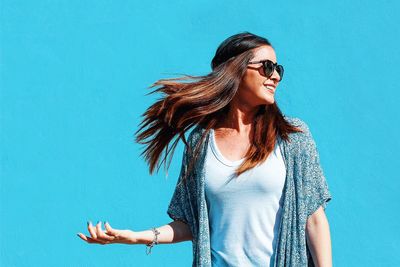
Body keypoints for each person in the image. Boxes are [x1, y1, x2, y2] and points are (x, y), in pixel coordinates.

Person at [77, 32, 333, 267]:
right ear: (237, 70)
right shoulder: (202, 142)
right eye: (267, 67)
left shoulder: (292, 138)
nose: (275, 76)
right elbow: (190, 222)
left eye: (278, 69)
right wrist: (136, 237)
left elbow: (314, 218)